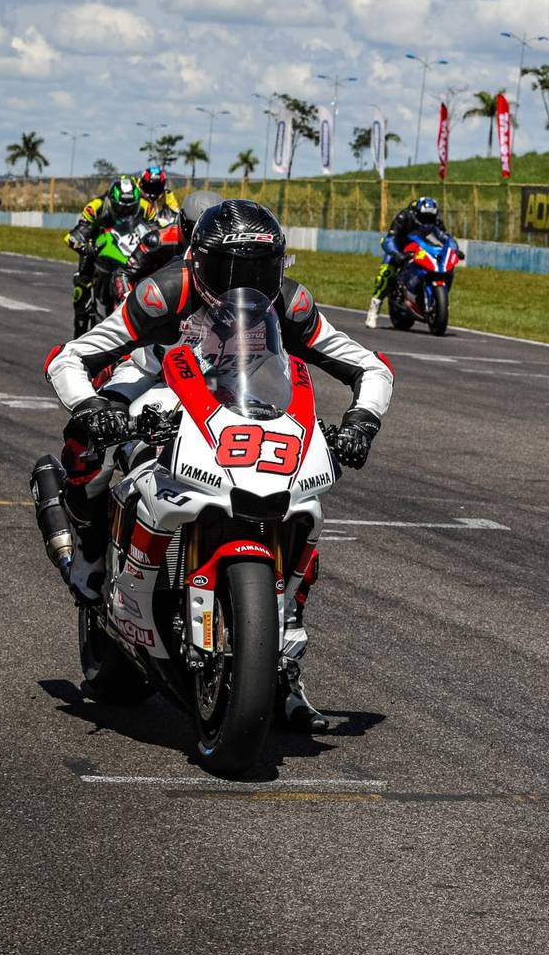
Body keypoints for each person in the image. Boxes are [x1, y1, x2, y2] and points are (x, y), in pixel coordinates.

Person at [39, 199, 394, 731]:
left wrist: (362, 421)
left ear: (278, 267)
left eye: (257, 269)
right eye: (229, 269)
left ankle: (283, 665)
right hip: (156, 380)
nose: (242, 282)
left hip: (246, 393)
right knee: (83, 435)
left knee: (297, 498)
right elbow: (70, 356)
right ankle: (90, 557)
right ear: (199, 263)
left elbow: (370, 365)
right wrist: (93, 409)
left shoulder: (292, 306)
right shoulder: (163, 292)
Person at [365, 196, 454, 328]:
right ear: (417, 213)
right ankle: (375, 307)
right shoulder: (404, 217)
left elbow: (445, 237)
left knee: (448, 269)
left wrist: (454, 249)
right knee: (386, 272)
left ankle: (437, 302)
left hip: (422, 249)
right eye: (424, 217)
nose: (427, 220)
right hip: (400, 248)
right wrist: (396, 254)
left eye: (430, 217)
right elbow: (389, 239)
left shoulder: (436, 221)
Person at [67, 177, 148, 318]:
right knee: (82, 286)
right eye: (121, 208)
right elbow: (72, 237)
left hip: (129, 248)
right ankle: (80, 328)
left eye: (130, 208)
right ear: (111, 202)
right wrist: (85, 247)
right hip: (98, 248)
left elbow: (157, 229)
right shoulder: (96, 207)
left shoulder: (146, 208)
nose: (126, 213)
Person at [124, 189, 220, 288]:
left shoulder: (227, 247)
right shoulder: (157, 240)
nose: (201, 238)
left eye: (212, 231)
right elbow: (124, 274)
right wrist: (128, 297)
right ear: (183, 221)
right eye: (194, 229)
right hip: (156, 296)